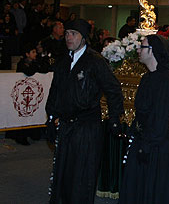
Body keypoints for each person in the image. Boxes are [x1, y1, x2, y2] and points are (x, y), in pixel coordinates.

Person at [45, 18, 124, 204]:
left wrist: (114, 118)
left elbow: (113, 90)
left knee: (82, 175)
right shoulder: (63, 61)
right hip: (66, 126)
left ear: (84, 38)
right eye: (66, 33)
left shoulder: (95, 61)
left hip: (87, 127)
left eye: (73, 34)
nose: (68, 37)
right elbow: (54, 91)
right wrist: (50, 117)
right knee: (63, 172)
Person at [119, 34, 169, 204]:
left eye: (143, 47)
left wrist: (145, 146)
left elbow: (161, 118)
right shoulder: (147, 77)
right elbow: (141, 113)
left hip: (157, 147)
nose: (138, 50)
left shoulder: (168, 80)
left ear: (153, 51)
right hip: (145, 142)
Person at [6, 43, 47, 146]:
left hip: (32, 92)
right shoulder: (22, 63)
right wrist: (35, 66)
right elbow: (29, 71)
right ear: (27, 54)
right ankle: (20, 136)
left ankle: (32, 133)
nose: (35, 54)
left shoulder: (35, 62)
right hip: (23, 93)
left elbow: (44, 69)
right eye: (33, 52)